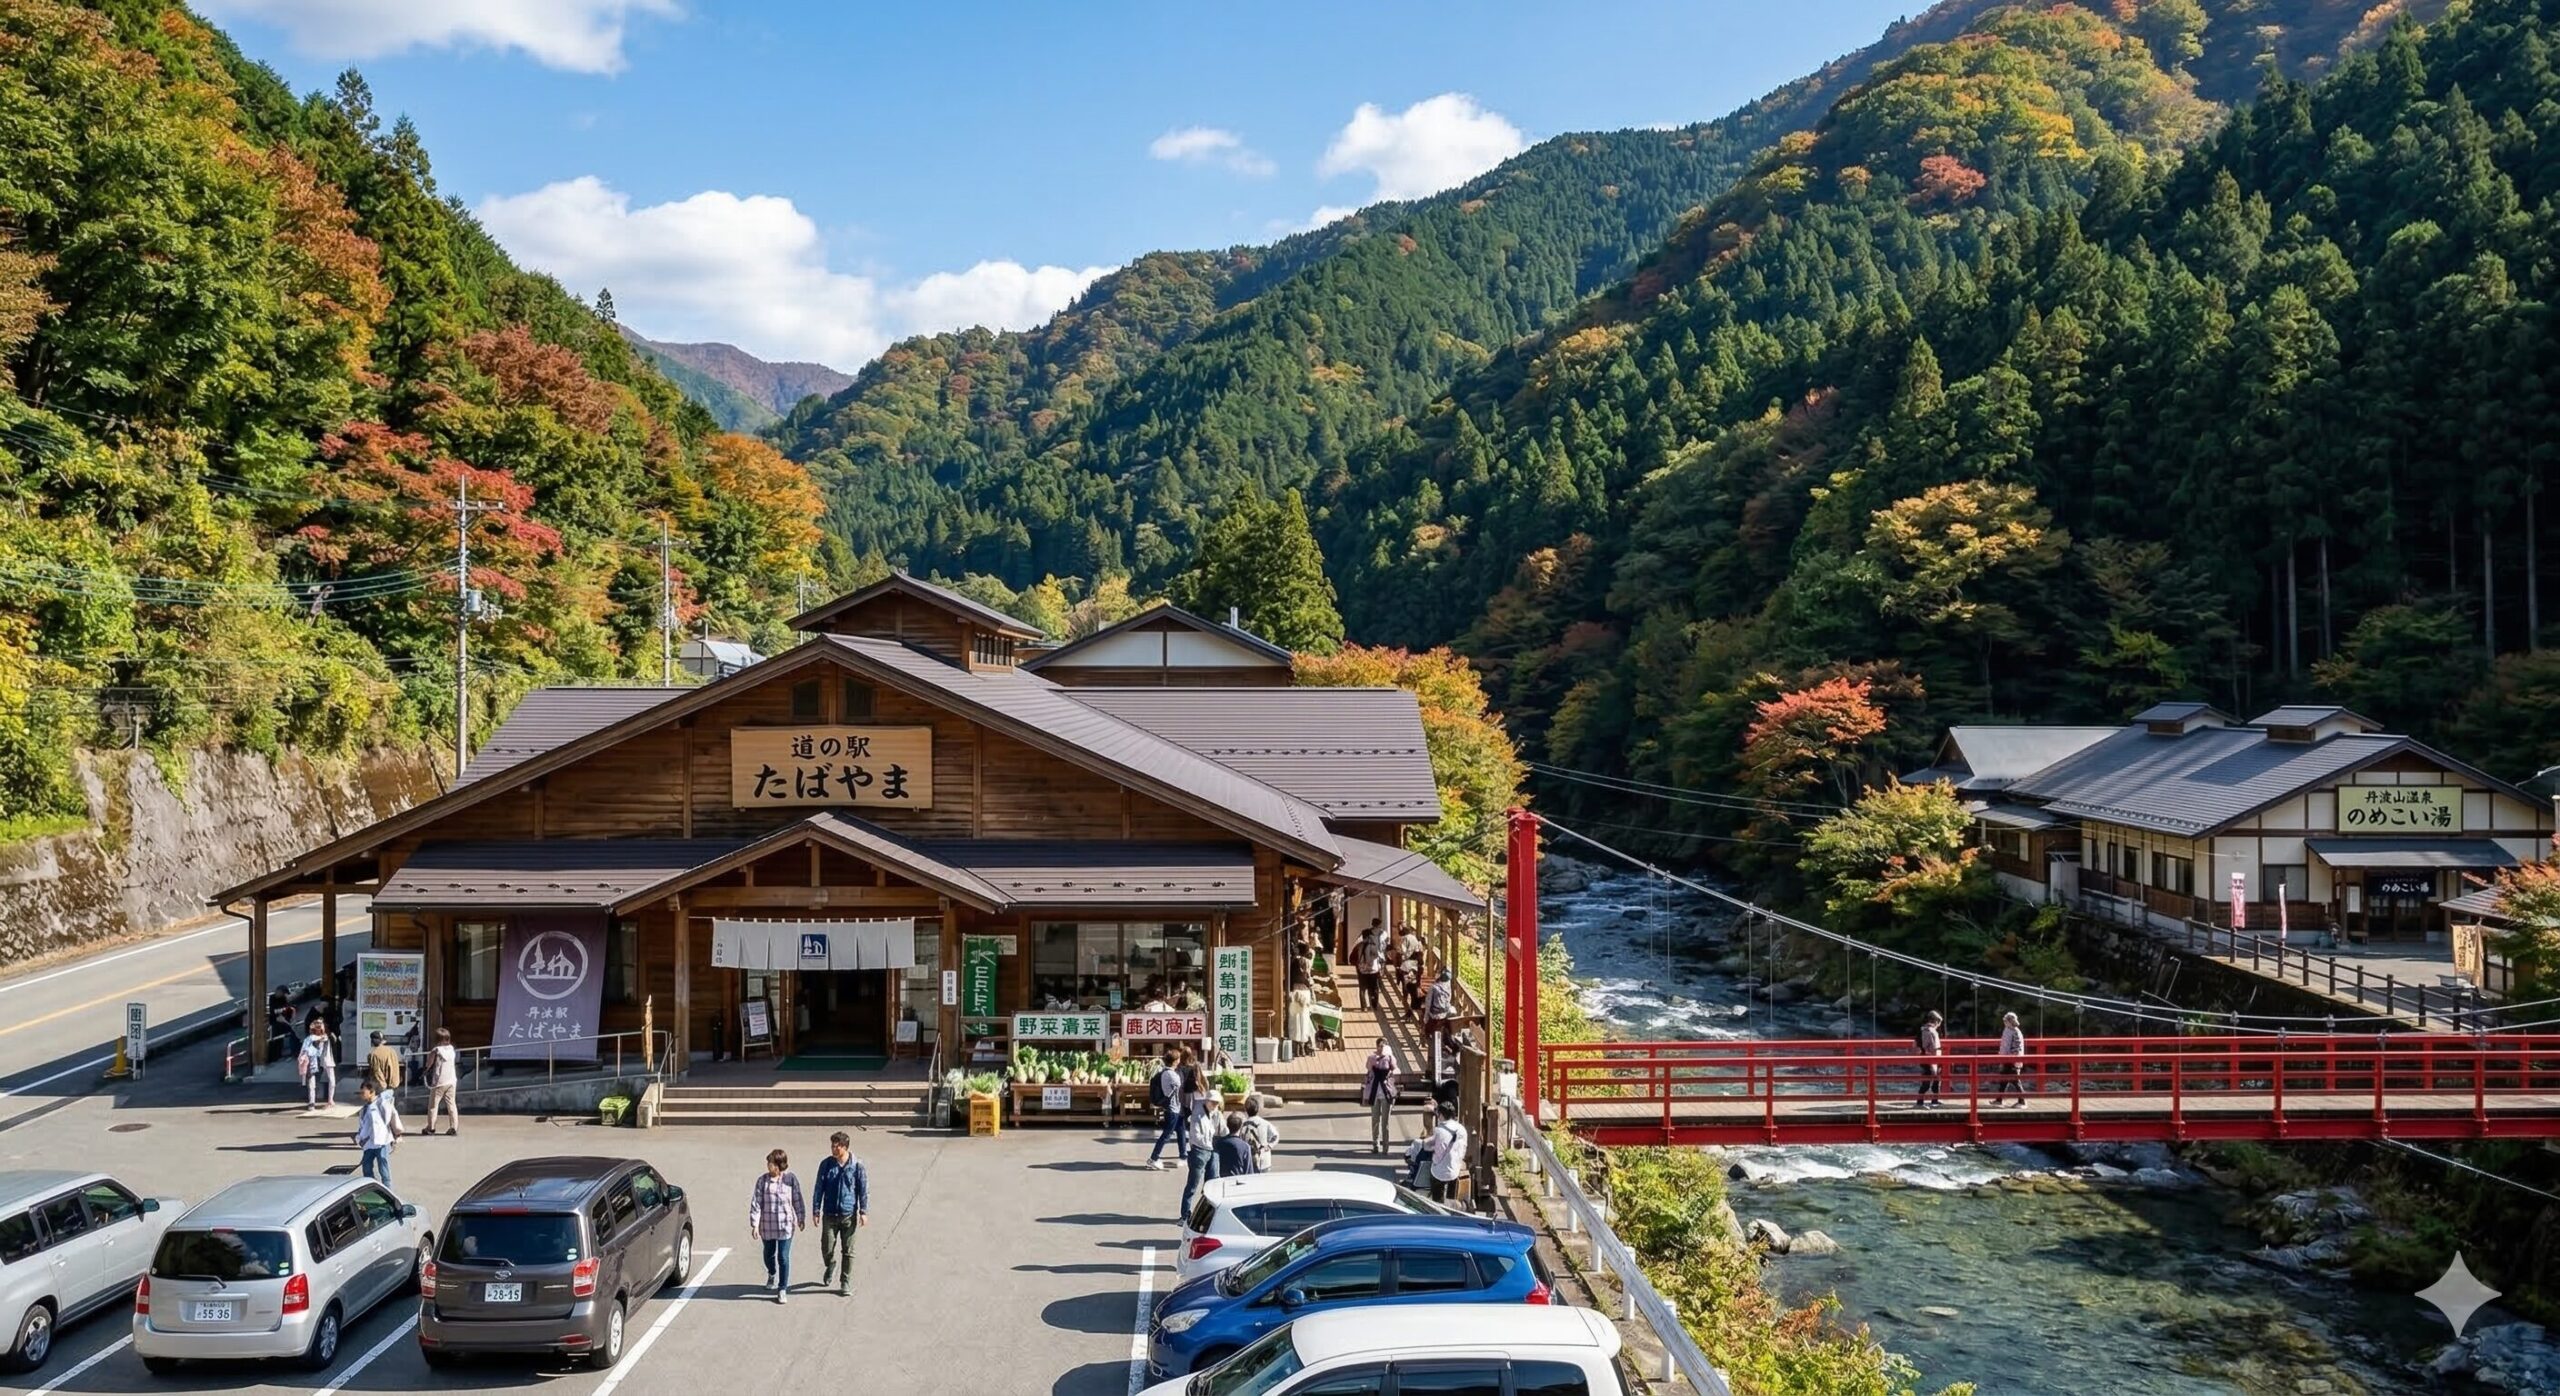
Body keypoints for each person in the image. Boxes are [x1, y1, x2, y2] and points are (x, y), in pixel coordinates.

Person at [812, 1131, 869, 1297]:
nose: (833, 1149)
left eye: (836, 1146)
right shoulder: (826, 1164)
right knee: (826, 1247)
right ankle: (830, 1264)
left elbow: (863, 1190)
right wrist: (816, 1210)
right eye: (832, 1146)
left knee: (849, 1250)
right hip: (829, 1214)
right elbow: (818, 1188)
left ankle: (845, 1281)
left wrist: (863, 1211)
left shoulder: (857, 1165)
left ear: (845, 1147)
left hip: (848, 1215)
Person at [750, 1148, 808, 1303]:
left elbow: (797, 1199)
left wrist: (801, 1217)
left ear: (778, 1165)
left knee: (783, 1257)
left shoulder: (790, 1179)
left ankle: (782, 1288)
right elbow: (756, 1203)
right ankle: (771, 1273)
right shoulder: (762, 1181)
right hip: (767, 1225)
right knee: (768, 1255)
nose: (768, 1165)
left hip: (785, 1226)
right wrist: (754, 1224)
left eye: (770, 1163)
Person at [1177, 1094, 1222, 1222]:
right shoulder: (1197, 1115)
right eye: (1213, 1103)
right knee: (1192, 1185)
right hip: (1199, 1152)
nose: (1215, 1106)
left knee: (1212, 1184)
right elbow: (1196, 1137)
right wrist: (1211, 1142)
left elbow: (1222, 1130)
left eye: (1217, 1103)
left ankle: (1207, 1214)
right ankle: (1185, 1215)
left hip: (1212, 1151)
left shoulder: (1215, 1113)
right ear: (1207, 1101)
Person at [1143, 1050, 1185, 1171]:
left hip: (1174, 1108)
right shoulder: (1170, 1074)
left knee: (1180, 1130)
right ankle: (1153, 1158)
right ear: (1175, 1061)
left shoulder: (1166, 1072)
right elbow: (1179, 1083)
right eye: (1178, 1059)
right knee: (1166, 1135)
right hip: (1172, 1108)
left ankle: (1183, 1155)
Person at [352, 1081, 400, 1188]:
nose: (361, 1094)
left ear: (372, 1092)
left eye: (363, 1092)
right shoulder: (364, 1109)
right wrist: (359, 1138)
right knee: (367, 1167)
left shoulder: (382, 1104)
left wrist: (398, 1134)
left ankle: (388, 1190)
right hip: (369, 1143)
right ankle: (372, 1188)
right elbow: (362, 1126)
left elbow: (393, 1116)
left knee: (383, 1169)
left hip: (382, 1142)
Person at [1359, 1039, 1398, 1154]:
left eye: (1384, 1046)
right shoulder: (1372, 1058)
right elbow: (1369, 1068)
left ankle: (1386, 1147)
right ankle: (1375, 1144)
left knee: (1385, 1122)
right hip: (1375, 1091)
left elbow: (1395, 1068)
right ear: (1376, 1046)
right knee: (1375, 1120)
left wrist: (1388, 1058)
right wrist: (1377, 1060)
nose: (1381, 1048)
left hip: (1386, 1092)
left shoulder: (1390, 1057)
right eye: (1380, 1046)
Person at [1425, 1101, 1468, 1204]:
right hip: (1455, 1169)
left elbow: (1429, 1146)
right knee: (1451, 1198)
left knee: (1433, 1173)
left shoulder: (1439, 1130)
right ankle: (1451, 1203)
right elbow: (1463, 1149)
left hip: (1439, 1172)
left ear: (1442, 1115)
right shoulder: (1462, 1129)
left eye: (1438, 1114)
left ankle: (1437, 1203)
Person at [422, 1027, 460, 1135]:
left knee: (433, 1106)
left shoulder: (436, 1050)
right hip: (451, 1080)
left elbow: (429, 1064)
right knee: (451, 1104)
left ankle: (431, 1127)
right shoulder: (451, 1049)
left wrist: (425, 1071)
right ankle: (454, 1127)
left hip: (439, 1082)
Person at [298, 1019, 336, 1109]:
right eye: (317, 1025)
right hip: (314, 1062)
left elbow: (332, 1040)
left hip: (326, 1061)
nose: (319, 1027)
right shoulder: (311, 1038)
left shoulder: (328, 1036)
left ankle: (330, 1100)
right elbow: (308, 1047)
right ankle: (312, 1102)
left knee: (331, 1081)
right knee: (312, 1083)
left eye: (321, 1025)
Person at [1423, 970, 1456, 1072]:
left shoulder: (1434, 987)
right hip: (1445, 1015)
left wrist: (1426, 1016)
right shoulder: (1448, 988)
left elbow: (1428, 1003)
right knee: (1445, 1033)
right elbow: (1448, 1001)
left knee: (1428, 1031)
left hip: (1434, 1016)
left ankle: (1432, 1053)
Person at [1994, 1011, 2028, 1107]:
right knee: (2004, 1080)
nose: (2004, 1022)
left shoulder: (2015, 1032)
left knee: (2015, 1081)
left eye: (2006, 1021)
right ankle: (1999, 1100)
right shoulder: (2008, 1030)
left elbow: (2017, 1048)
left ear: (2010, 1021)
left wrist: (2013, 1060)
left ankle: (2022, 1101)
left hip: (2012, 1060)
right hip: (2007, 1058)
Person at [1914, 1010, 1945, 1109]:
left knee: (1931, 1081)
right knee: (1930, 1081)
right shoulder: (1930, 1032)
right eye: (1939, 1023)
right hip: (1931, 1059)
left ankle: (1926, 1100)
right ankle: (1923, 1102)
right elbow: (1933, 1047)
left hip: (1927, 1058)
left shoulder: (1922, 1030)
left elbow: (1916, 1044)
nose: (1939, 1026)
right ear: (1936, 1021)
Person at [1212, 1112, 1257, 1178]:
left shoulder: (1219, 1143)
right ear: (1240, 1127)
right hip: (1238, 1180)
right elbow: (1248, 1170)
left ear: (1227, 1125)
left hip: (1221, 1179)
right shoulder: (1245, 1146)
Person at [1241, 1095, 1279, 1173]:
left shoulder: (1243, 1124)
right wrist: (1269, 1146)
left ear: (1246, 1110)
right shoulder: (1265, 1123)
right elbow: (1275, 1135)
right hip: (1264, 1159)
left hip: (1249, 1160)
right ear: (1258, 1109)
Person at [1355, 927, 1386, 1012]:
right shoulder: (1374, 945)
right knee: (1374, 987)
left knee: (1362, 988)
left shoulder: (1359, 945)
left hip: (1362, 970)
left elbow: (1354, 956)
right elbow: (1379, 957)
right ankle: (1374, 1004)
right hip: (1373, 969)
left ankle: (1363, 1006)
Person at [364, 1031, 403, 1095]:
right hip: (394, 1085)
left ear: (372, 1041)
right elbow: (395, 1068)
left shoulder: (373, 1054)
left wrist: (383, 1087)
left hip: (381, 1087)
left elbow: (377, 1072)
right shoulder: (392, 1051)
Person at [1286, 980, 1316, 1057]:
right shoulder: (1305, 992)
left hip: (1298, 1012)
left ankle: (1299, 1049)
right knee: (1301, 1029)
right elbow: (1312, 1002)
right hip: (1301, 1012)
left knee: (1299, 1029)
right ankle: (1300, 1049)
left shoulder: (1297, 991)